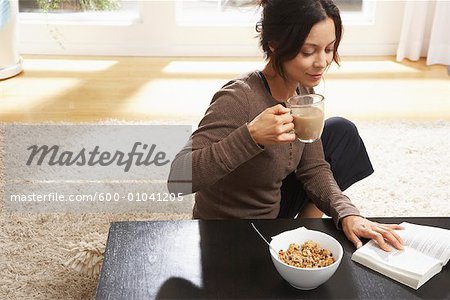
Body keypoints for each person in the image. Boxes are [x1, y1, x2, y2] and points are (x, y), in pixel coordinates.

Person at [168, 0, 404, 252]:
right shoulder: (239, 97)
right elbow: (177, 179)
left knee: (342, 133)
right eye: (308, 51)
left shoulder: (302, 89)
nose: (322, 62)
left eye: (329, 49)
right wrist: (251, 137)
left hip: (273, 209)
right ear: (275, 45)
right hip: (228, 231)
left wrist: (348, 214)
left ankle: (302, 232)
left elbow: (313, 167)